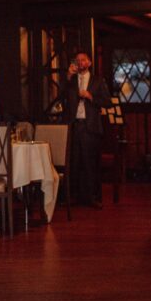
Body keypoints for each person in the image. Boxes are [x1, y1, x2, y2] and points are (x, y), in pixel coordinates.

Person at [62, 51, 112, 209]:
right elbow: (63, 96)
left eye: (83, 60)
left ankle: (92, 197)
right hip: (75, 125)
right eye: (78, 60)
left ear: (89, 63)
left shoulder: (98, 80)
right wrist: (68, 77)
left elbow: (107, 102)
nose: (80, 62)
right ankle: (74, 196)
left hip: (90, 126)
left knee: (90, 163)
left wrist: (91, 97)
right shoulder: (72, 80)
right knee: (74, 162)